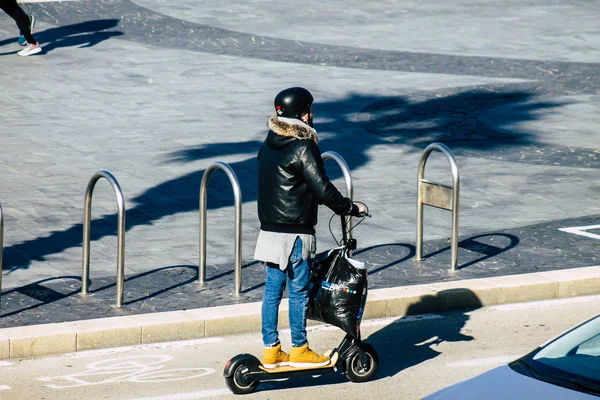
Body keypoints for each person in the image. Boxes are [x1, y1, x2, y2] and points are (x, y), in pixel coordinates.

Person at [254, 87, 365, 369]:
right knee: (299, 291)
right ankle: (300, 349)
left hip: (268, 231)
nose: (312, 115)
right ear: (303, 113)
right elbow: (323, 188)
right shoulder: (304, 146)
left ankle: (271, 351)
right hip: (295, 233)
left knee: (271, 292)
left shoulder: (268, 144)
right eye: (310, 110)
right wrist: (349, 208)